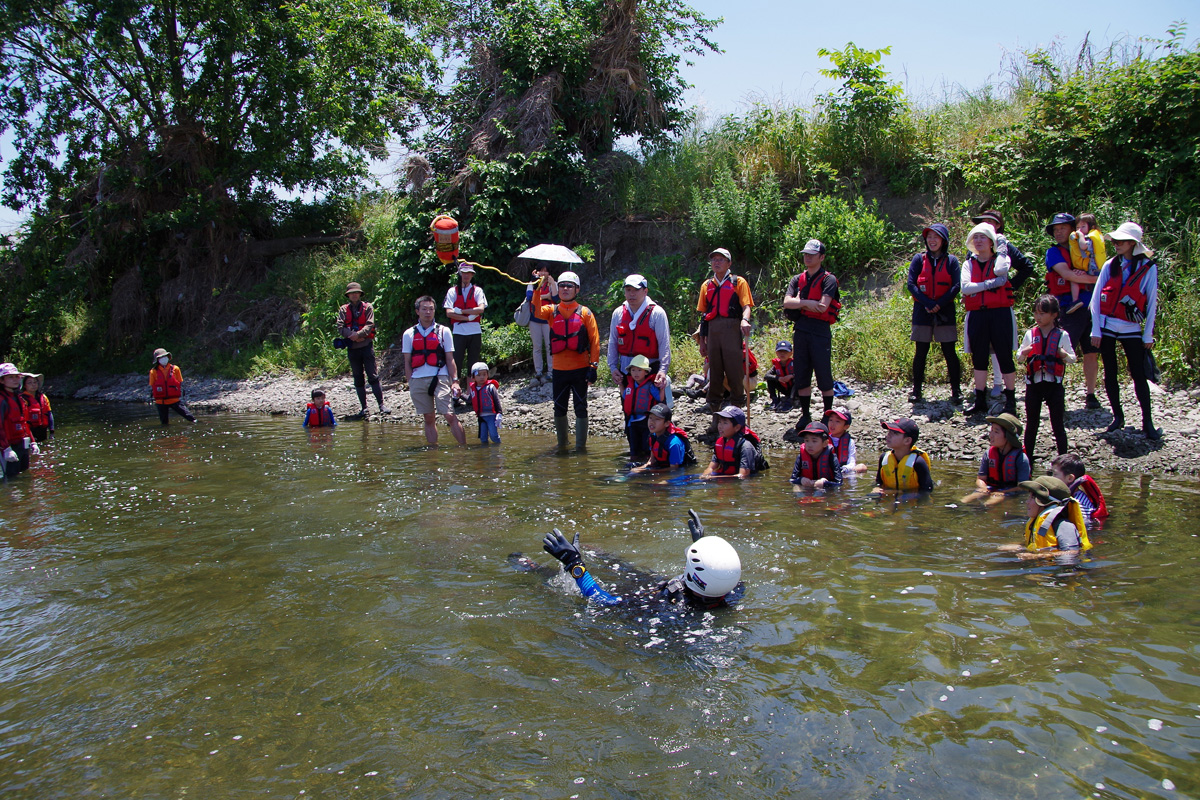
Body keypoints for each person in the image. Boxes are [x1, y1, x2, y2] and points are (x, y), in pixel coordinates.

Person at [533, 510, 743, 609]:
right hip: (666, 586)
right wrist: (702, 546)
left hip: (650, 598)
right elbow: (716, 573)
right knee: (622, 567)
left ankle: (533, 569)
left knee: (575, 582)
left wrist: (574, 565)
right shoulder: (733, 590)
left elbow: (605, 602)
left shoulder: (668, 607)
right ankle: (599, 553)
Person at [1089, 222, 1161, 439]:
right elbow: (1096, 299)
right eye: (1116, 241)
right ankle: (1117, 417)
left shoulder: (1148, 268)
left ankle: (1147, 422)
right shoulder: (1110, 264)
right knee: (1110, 373)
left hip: (1131, 327)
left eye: (1122, 241)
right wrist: (1096, 330)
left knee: (1138, 374)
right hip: (1108, 326)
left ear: (1133, 244)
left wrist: (1147, 334)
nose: (1117, 244)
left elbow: (1151, 303)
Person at [533, 271, 601, 451]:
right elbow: (537, 311)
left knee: (580, 407)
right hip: (559, 371)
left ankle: (580, 448)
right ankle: (562, 445)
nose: (565, 289)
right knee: (559, 408)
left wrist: (593, 366)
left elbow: (594, 342)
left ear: (576, 289)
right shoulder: (552, 311)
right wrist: (536, 290)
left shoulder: (585, 312)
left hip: (580, 370)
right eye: (562, 285)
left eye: (569, 286)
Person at [972, 210, 1036, 400]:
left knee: (1001, 348)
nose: (986, 225)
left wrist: (1011, 286)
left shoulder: (1004, 245)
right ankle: (984, 391)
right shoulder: (975, 247)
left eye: (991, 222)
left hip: (1000, 306)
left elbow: (1026, 266)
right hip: (980, 307)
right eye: (982, 222)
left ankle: (1001, 385)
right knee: (982, 350)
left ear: (998, 226)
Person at [1044, 212, 1102, 410]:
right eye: (1055, 229)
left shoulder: (1087, 248)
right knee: (1061, 351)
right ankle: (1053, 393)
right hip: (1068, 307)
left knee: (1091, 352)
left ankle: (1091, 394)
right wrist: (1100, 279)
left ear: (1072, 229)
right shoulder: (1054, 253)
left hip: (1091, 305)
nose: (1058, 232)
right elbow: (1067, 274)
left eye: (1062, 228)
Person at [782, 239, 841, 429]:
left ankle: (827, 415)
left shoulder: (828, 279)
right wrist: (807, 303)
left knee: (824, 373)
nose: (807, 257)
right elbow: (787, 303)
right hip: (801, 329)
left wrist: (799, 301)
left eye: (812, 255)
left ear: (821, 257)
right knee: (802, 373)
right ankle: (805, 415)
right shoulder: (797, 279)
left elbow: (823, 307)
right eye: (805, 254)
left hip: (820, 331)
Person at [960, 224, 1017, 417]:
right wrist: (989, 284)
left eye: (983, 237)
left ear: (992, 241)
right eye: (975, 237)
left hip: (1000, 313)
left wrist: (1001, 250)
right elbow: (966, 288)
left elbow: (1001, 270)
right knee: (979, 357)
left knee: (1004, 355)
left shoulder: (1002, 259)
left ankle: (1010, 400)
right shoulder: (969, 263)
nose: (978, 241)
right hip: (978, 314)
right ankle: (980, 400)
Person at [696, 248, 754, 425]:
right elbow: (704, 315)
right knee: (715, 373)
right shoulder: (707, 285)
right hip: (713, 331)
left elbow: (747, 306)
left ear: (729, 263)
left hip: (731, 328)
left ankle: (736, 415)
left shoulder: (738, 282)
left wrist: (745, 320)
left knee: (734, 372)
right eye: (714, 259)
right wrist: (702, 341)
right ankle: (716, 416)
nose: (717, 262)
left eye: (721, 259)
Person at [906, 224, 962, 404]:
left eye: (936, 237)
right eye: (929, 237)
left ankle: (956, 391)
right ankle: (916, 391)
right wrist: (928, 303)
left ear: (943, 240)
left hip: (944, 311)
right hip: (923, 310)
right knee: (920, 352)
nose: (932, 240)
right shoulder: (918, 259)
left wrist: (939, 304)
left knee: (949, 352)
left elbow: (955, 286)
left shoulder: (951, 261)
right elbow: (911, 284)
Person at [1017, 294, 1076, 460]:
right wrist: (1024, 352)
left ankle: (1063, 459)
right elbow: (1019, 357)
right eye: (1036, 313)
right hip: (1034, 384)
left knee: (1057, 424)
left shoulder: (1062, 335)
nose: (1038, 317)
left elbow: (1072, 358)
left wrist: (1063, 354)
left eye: (1042, 313)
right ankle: (1027, 459)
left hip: (1054, 385)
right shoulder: (1030, 334)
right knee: (1031, 424)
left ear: (1054, 315)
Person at [402, 295, 466, 446]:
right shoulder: (409, 334)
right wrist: (410, 381)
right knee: (428, 417)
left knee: (449, 415)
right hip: (418, 379)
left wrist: (455, 381)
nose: (428, 312)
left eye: (431, 309)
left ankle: (464, 448)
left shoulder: (443, 331)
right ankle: (433, 452)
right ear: (418, 311)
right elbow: (407, 361)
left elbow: (450, 358)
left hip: (440, 377)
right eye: (424, 309)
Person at [607, 273, 671, 405]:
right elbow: (613, 342)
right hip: (626, 368)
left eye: (636, 290)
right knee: (629, 408)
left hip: (650, 368)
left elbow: (664, 344)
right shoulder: (618, 313)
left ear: (645, 291)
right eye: (628, 290)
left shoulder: (656, 313)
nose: (632, 294)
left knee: (654, 409)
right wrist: (613, 368)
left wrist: (663, 370)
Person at [996, 476, 1092, 558]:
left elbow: (1073, 552)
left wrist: (1038, 556)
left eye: (1032, 498)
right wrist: (1020, 547)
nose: (1027, 502)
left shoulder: (1063, 525)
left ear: (1044, 502)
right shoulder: (1038, 520)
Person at [339, 282, 389, 418]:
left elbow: (369, 325)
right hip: (352, 348)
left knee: (373, 376)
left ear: (360, 294)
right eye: (351, 293)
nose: (354, 295)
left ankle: (381, 405)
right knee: (358, 378)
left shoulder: (368, 307)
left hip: (366, 346)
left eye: (356, 292)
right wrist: (351, 336)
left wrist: (358, 335)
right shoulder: (343, 310)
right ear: (348, 295)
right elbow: (340, 326)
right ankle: (364, 408)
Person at [962, 413, 1031, 504]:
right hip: (991, 487)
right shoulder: (988, 454)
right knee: (967, 500)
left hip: (1010, 491)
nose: (991, 435)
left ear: (1008, 437)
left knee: (991, 503)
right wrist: (983, 488)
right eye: (991, 431)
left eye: (996, 432)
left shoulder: (1021, 458)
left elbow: (1023, 487)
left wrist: (1002, 492)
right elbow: (981, 478)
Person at [443, 262, 488, 393]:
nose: (466, 275)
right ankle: (455, 391)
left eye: (469, 273)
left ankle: (470, 392)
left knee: (473, 363)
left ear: (472, 275)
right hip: (458, 331)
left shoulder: (477, 290)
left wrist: (461, 312)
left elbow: (480, 309)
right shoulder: (453, 291)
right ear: (460, 274)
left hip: (474, 330)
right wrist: (467, 316)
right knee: (456, 361)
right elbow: (449, 312)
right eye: (464, 273)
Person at [699, 406, 767, 480]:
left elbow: (743, 475)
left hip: (739, 481)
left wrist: (713, 478)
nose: (720, 426)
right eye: (719, 422)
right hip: (724, 475)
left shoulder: (746, 447)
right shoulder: (721, 442)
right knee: (688, 480)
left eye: (725, 423)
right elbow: (711, 467)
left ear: (737, 427)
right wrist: (705, 475)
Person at [872, 417, 934, 493]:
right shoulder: (884, 458)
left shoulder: (918, 462)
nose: (888, 435)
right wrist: (876, 488)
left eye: (895, 433)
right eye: (889, 431)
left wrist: (901, 495)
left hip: (910, 501)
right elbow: (879, 482)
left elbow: (926, 492)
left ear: (907, 440)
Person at [632, 404, 697, 473]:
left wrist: (649, 471)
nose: (652, 422)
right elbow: (651, 461)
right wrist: (640, 469)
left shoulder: (674, 443)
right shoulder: (653, 436)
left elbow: (674, 469)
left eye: (657, 419)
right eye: (650, 418)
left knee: (661, 483)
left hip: (680, 472)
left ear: (667, 423)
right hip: (663, 467)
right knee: (630, 467)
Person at [620, 354, 662, 461]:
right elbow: (624, 395)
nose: (636, 373)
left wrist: (662, 388)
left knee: (646, 445)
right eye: (633, 370)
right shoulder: (630, 385)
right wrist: (620, 384)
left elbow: (659, 399)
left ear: (646, 372)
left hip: (646, 421)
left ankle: (648, 463)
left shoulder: (650, 385)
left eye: (639, 370)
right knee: (634, 447)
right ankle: (633, 463)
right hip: (632, 422)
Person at [1049, 452, 1109, 521]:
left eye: (1055, 474)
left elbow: (1081, 527)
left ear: (1070, 478)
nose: (1051, 478)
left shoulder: (1079, 504)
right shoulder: (1067, 496)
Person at [0, 363, 34, 479]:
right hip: (8, 447)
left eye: (16, 377)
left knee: (24, 475)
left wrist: (33, 442)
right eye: (10, 377)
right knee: (10, 479)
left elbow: (25, 423)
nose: (15, 380)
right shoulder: (1, 400)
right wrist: (6, 449)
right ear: (2, 380)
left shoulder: (19, 397)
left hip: (22, 444)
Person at [1068, 213, 1106, 313]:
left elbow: (1083, 246)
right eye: (1077, 227)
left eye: (1083, 227)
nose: (1079, 230)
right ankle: (1076, 301)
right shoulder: (1089, 235)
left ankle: (1077, 301)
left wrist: (1080, 235)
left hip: (1094, 270)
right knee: (1074, 278)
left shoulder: (1090, 238)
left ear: (1092, 227)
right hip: (1089, 269)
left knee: (1095, 289)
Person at [148, 348, 197, 425]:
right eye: (161, 357)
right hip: (161, 402)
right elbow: (152, 385)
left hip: (174, 400)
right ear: (157, 360)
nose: (163, 359)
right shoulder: (153, 372)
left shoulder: (175, 369)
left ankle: (200, 423)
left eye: (165, 356)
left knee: (191, 418)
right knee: (164, 423)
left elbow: (180, 382)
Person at [526, 265, 556, 385]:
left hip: (548, 319)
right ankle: (538, 371)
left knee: (550, 346)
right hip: (534, 319)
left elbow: (555, 297)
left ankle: (551, 371)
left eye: (545, 270)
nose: (543, 273)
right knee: (537, 346)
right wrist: (545, 296)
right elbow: (529, 297)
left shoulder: (553, 283)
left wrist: (552, 284)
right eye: (541, 270)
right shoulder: (532, 282)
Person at [790, 421, 842, 490]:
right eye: (806, 440)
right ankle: (801, 499)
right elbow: (792, 480)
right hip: (806, 487)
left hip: (824, 489)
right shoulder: (801, 457)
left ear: (825, 443)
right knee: (796, 488)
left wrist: (825, 483)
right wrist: (800, 480)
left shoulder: (831, 457)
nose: (809, 445)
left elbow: (839, 483)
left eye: (814, 441)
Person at [822, 406, 869, 475]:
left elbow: (852, 462)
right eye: (830, 420)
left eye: (837, 421)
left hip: (843, 470)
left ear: (846, 426)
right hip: (828, 470)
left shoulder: (850, 442)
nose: (832, 424)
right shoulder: (824, 440)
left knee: (862, 467)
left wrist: (846, 469)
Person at [467, 361, 503, 445]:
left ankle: (498, 450)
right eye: (478, 375)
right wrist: (459, 394)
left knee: (493, 436)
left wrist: (499, 413)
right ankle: (485, 453)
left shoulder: (490, 387)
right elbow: (469, 399)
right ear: (473, 377)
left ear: (487, 375)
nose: (482, 377)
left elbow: (496, 400)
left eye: (484, 374)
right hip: (481, 417)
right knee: (483, 438)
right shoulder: (473, 389)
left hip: (491, 415)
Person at [20, 373, 54, 442]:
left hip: (42, 430)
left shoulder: (43, 397)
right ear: (25, 385)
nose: (33, 384)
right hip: (29, 431)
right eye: (29, 383)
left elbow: (49, 414)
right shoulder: (21, 398)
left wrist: (52, 431)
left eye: (35, 382)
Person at [764, 341, 795, 411]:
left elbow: (802, 374)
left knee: (797, 380)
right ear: (776, 353)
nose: (782, 354)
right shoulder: (776, 365)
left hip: (794, 390)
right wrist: (779, 378)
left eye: (785, 352)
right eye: (780, 351)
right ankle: (775, 400)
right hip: (784, 389)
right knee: (770, 379)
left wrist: (791, 376)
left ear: (791, 353)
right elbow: (766, 375)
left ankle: (790, 401)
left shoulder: (794, 364)